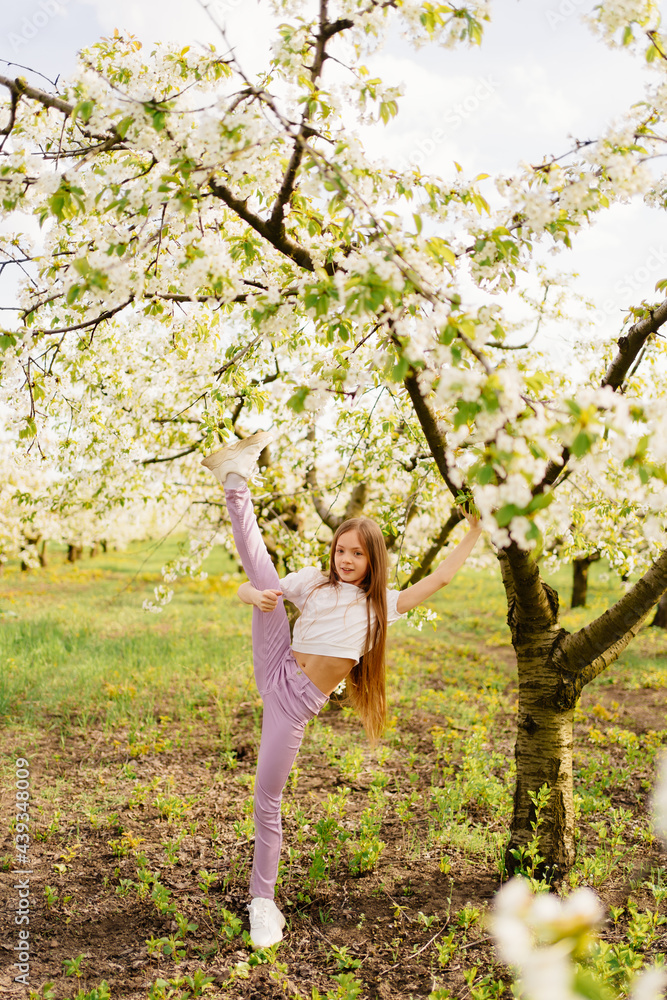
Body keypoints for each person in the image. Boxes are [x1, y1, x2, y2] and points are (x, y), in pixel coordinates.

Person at [201, 430, 482, 948]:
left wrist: (474, 532)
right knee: (263, 575)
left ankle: (263, 901)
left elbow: (439, 580)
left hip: (294, 704)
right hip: (276, 660)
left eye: (356, 553)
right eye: (340, 550)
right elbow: (253, 582)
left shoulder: (382, 608)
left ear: (373, 559)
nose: (345, 559)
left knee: (268, 799)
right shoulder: (314, 583)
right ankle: (234, 478)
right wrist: (251, 596)